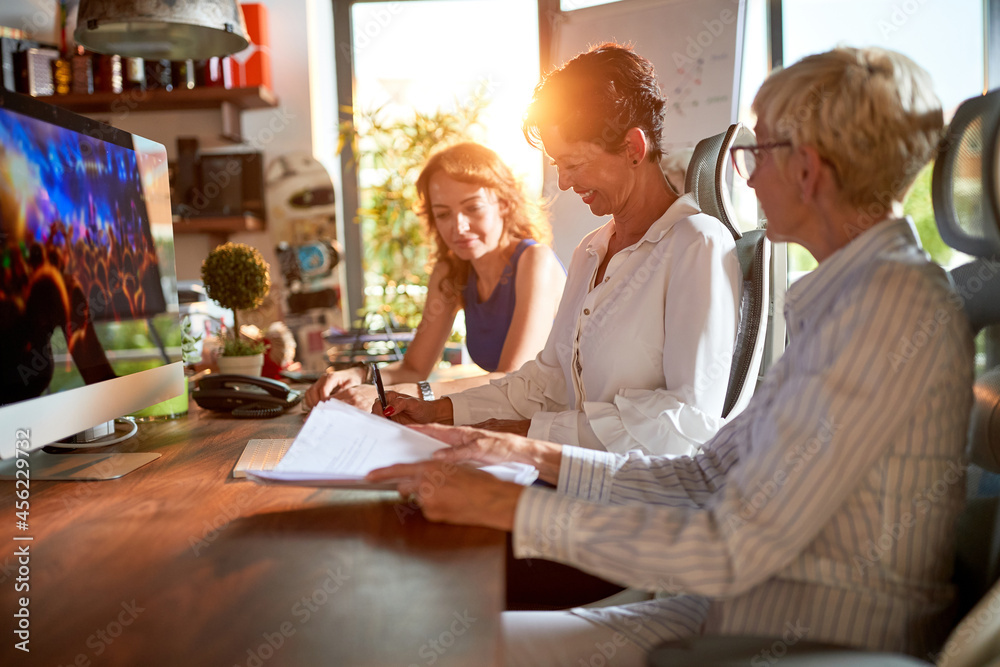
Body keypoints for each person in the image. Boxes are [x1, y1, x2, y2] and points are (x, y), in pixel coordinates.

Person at [368, 46, 974, 666]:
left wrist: (510, 505)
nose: (744, 176)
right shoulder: (840, 297)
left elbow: (732, 542)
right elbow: (706, 474)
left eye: (755, 153)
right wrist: (520, 450)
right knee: (446, 635)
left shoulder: (887, 308)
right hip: (733, 607)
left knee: (446, 647)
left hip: (805, 636)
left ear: (807, 170)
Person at [382, 43, 742, 458]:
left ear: (633, 149)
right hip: (571, 475)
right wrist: (440, 410)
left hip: (639, 497)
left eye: (575, 163)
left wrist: (527, 432)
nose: (566, 182)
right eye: (558, 165)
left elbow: (686, 418)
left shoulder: (696, 244)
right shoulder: (591, 250)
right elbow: (548, 381)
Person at [302, 142, 566, 411]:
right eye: (443, 214)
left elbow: (511, 379)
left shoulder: (535, 261)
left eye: (473, 208)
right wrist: (360, 375)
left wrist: (404, 393)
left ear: (505, 204)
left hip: (557, 422)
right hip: (508, 417)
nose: (458, 227)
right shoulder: (452, 271)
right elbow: (414, 367)